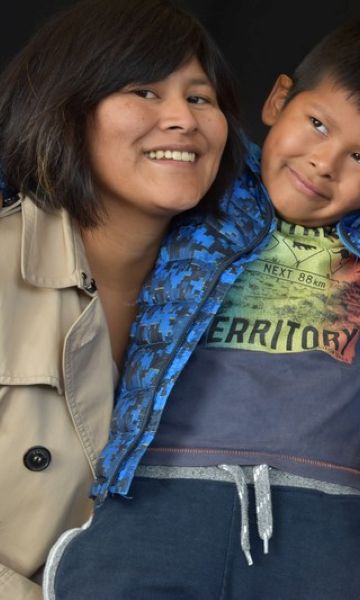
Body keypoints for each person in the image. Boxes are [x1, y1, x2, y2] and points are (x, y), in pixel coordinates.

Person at [43, 19, 360, 599]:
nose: (324, 162)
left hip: (328, 512)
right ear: (278, 101)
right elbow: (49, 149)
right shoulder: (213, 180)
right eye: (317, 124)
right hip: (160, 485)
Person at [0, 0, 243, 597]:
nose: (182, 119)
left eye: (200, 97)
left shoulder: (242, 293)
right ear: (68, 108)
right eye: (144, 91)